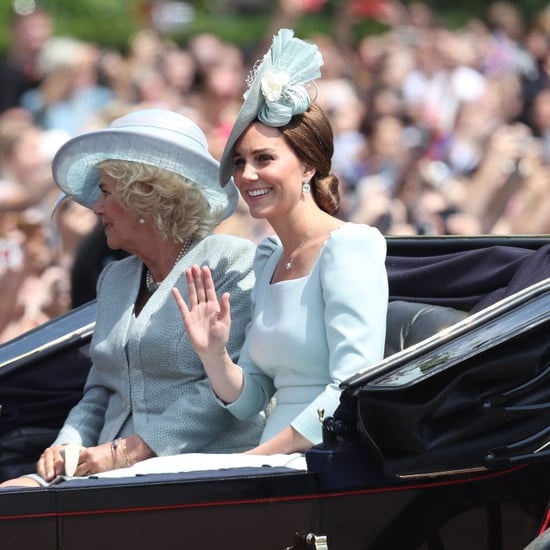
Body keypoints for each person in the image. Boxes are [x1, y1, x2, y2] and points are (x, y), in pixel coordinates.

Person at [1, 108, 264, 487]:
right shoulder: (115, 278)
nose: (96, 207)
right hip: (105, 473)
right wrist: (64, 450)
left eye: (106, 192)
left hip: (195, 473)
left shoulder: (228, 260)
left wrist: (127, 452)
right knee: (13, 498)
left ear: (146, 196)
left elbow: (226, 392)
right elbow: (98, 393)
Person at [173, 29, 388, 456]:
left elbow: (352, 389)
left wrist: (257, 459)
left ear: (308, 166)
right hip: (272, 461)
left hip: (327, 460)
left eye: (264, 159)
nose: (246, 175)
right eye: (239, 162)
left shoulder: (350, 246)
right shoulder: (269, 256)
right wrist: (214, 355)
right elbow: (251, 398)